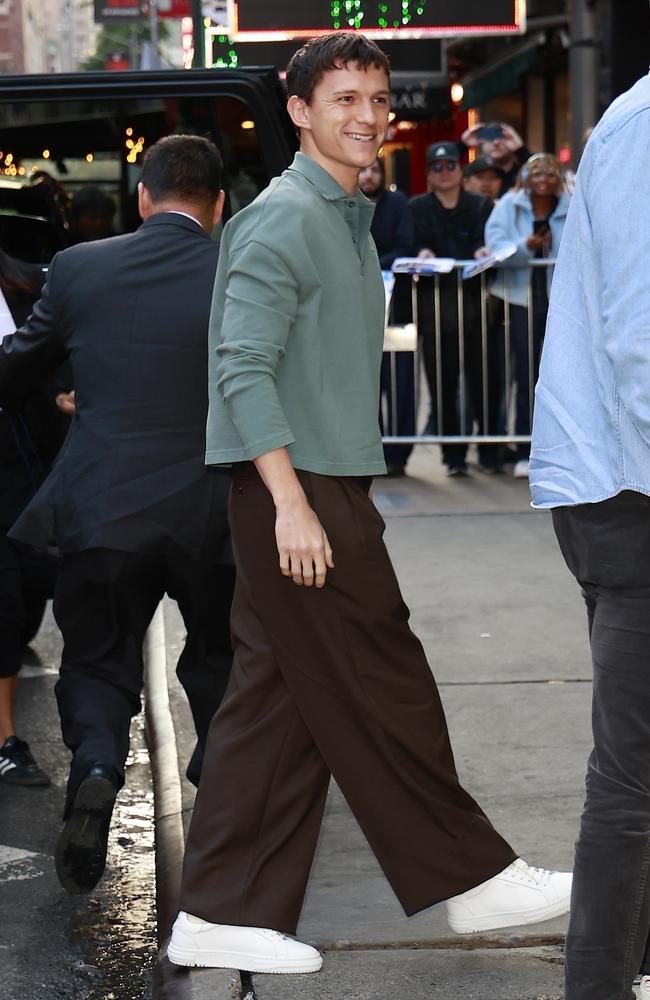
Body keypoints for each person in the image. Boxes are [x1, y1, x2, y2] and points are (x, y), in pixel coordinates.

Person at [167, 32, 571, 977]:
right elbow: (239, 367)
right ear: (299, 112)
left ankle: (221, 910)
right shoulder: (283, 220)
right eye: (343, 98)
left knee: (282, 708)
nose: (366, 115)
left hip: (321, 482)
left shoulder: (346, 212)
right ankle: (472, 881)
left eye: (378, 99)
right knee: (387, 678)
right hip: (295, 487)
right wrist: (290, 506)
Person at [0, 135, 235, 895]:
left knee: (99, 660)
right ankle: (222, 786)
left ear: (142, 196)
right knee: (220, 656)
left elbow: (19, 368)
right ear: (220, 205)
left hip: (102, 508)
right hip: (212, 511)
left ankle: (98, 769)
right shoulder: (239, 271)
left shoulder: (79, 268)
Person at [529, 72, 650, 1000]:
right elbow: (638, 342)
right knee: (631, 780)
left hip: (622, 480)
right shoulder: (646, 125)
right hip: (631, 490)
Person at [0, 249, 66, 787]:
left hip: (20, 470)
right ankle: (5, 739)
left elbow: (54, 358)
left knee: (17, 595)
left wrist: (62, 394)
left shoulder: (30, 287)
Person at [410, 141, 501, 475]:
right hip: (437, 313)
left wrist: (482, 252)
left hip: (477, 310)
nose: (444, 172)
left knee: (485, 384)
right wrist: (421, 252)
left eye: (450, 166)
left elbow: (487, 241)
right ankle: (454, 457)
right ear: (428, 175)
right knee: (443, 386)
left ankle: (490, 452)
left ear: (461, 171)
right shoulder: (417, 208)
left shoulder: (480, 206)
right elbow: (411, 243)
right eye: (437, 167)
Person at [485, 153, 570, 479]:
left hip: (558, 303)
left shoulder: (570, 205)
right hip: (519, 300)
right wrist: (527, 246)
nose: (543, 180)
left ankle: (557, 450)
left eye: (550, 174)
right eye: (537, 174)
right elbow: (496, 248)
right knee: (525, 375)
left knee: (559, 378)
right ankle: (524, 448)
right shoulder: (509, 205)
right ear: (526, 177)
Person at [358, 156, 415, 477]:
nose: (368, 176)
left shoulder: (398, 204)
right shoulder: (346, 202)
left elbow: (406, 245)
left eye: (374, 170)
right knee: (366, 384)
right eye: (363, 170)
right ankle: (371, 451)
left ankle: (399, 453)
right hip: (358, 308)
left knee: (400, 382)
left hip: (397, 308)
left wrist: (371, 262)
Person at [461, 121, 531, 195]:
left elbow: (541, 171)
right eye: (490, 137)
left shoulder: (524, 172)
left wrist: (521, 150)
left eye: (503, 137)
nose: (496, 142)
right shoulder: (471, 171)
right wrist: (462, 146)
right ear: (481, 142)